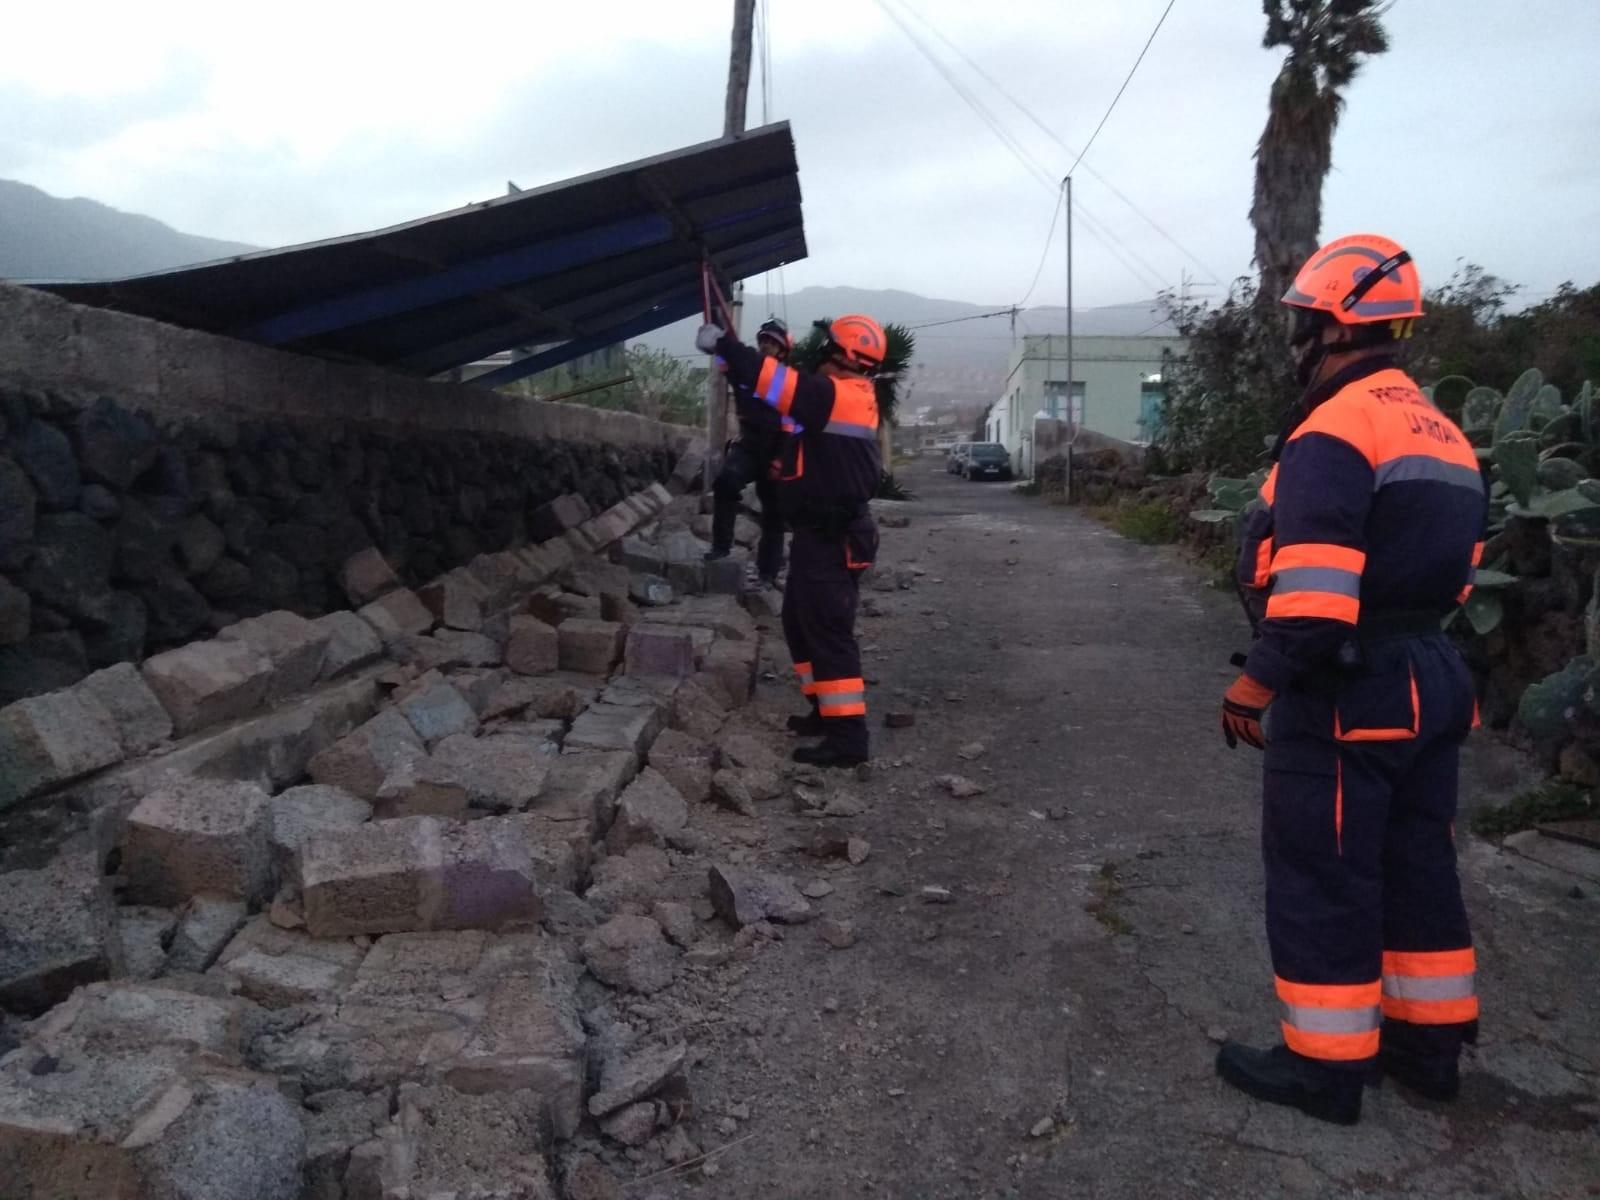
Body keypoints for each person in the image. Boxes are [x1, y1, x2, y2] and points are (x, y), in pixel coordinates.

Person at [1216, 234, 1485, 1125]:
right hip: (1434, 676)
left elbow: (1318, 596)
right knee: (1417, 862)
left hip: (1349, 684)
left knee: (1323, 871)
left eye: (1303, 324)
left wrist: (1255, 685)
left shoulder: (1335, 427)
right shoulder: (1444, 431)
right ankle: (1428, 1050)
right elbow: (1460, 571)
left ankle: (1326, 1070)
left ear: (1334, 327)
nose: (1297, 342)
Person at [697, 314, 884, 768]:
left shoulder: (832, 395)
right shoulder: (845, 397)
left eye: (828, 345)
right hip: (818, 534)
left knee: (827, 632)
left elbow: (771, 378)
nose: (819, 351)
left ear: (841, 354)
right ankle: (824, 711)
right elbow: (780, 405)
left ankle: (848, 738)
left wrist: (723, 344)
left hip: (832, 537)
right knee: (800, 624)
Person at [706, 317, 792, 586]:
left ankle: (767, 573)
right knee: (725, 483)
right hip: (749, 446)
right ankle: (721, 547)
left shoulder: (788, 380)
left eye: (773, 342)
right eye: (764, 340)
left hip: (777, 448)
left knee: (774, 515)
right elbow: (724, 363)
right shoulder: (747, 370)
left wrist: (781, 459)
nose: (767, 345)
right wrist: (716, 334)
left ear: (782, 350)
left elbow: (793, 423)